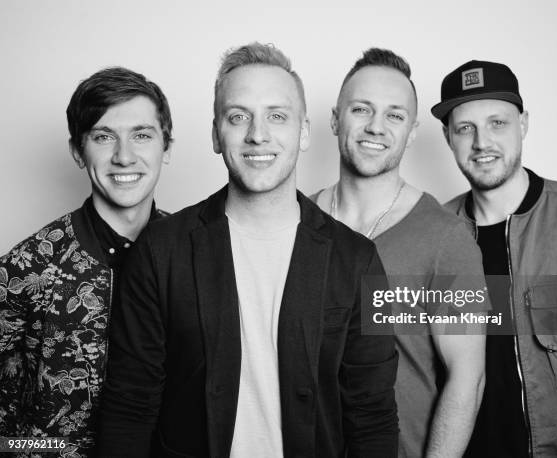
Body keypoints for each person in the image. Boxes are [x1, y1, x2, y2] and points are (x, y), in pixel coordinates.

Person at [98, 42, 398, 458]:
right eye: (239, 117)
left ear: (304, 131)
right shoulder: (161, 249)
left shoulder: (359, 259)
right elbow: (130, 406)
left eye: (277, 116)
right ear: (216, 135)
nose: (258, 134)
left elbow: (373, 417)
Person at [312, 48, 487, 458]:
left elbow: (468, 377)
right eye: (361, 109)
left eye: (394, 115)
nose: (376, 127)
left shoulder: (448, 238)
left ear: (411, 131)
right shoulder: (294, 222)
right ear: (336, 118)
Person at [434, 59, 557, 457]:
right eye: (465, 128)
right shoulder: (431, 234)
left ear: (524, 124)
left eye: (497, 123)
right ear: (448, 137)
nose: (482, 142)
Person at [0, 67, 173, 457]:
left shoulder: (193, 254)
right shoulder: (25, 269)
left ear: (167, 146)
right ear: (78, 151)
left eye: (142, 135)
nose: (124, 156)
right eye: (103, 136)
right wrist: (43, 450)